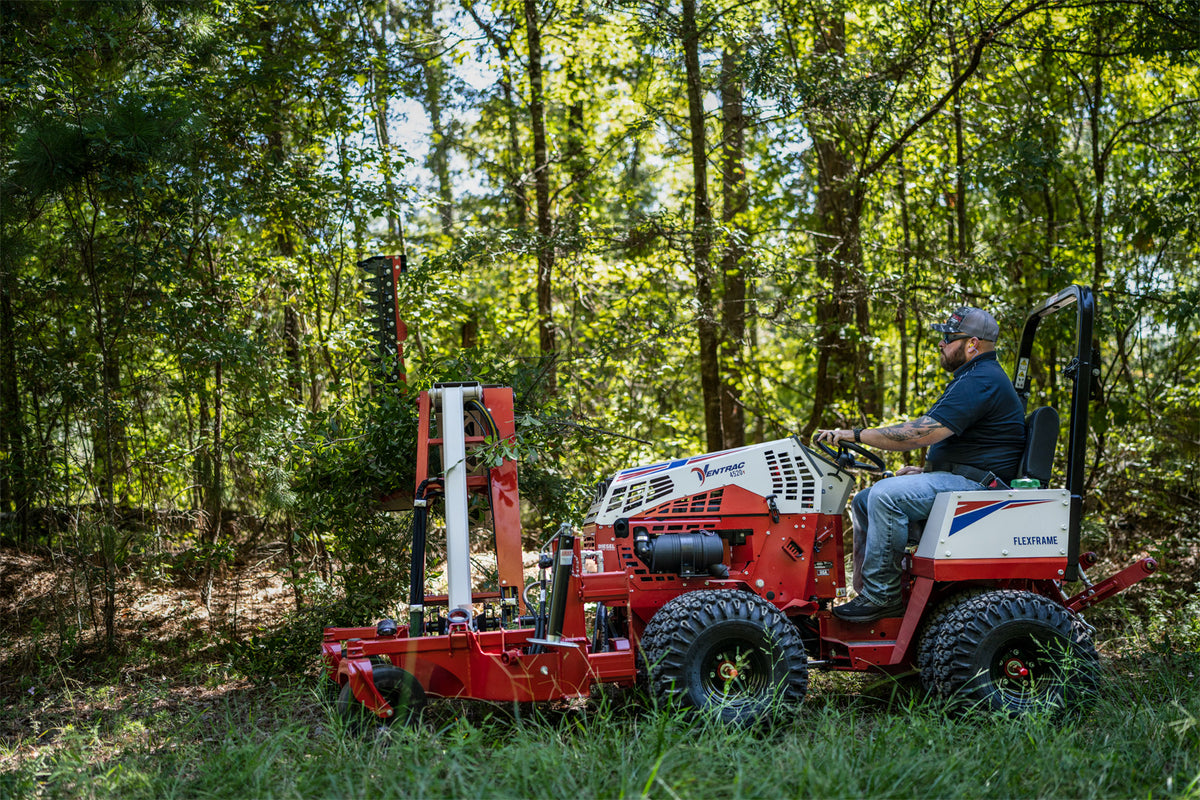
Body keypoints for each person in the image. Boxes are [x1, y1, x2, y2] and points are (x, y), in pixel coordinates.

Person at [815, 306, 1026, 623]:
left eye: (948, 338)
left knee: (886, 496)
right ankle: (867, 594)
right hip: (963, 477)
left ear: (972, 344)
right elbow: (968, 444)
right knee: (864, 499)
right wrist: (927, 473)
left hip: (980, 487)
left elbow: (918, 434)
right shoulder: (972, 378)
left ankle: (882, 597)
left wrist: (855, 434)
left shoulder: (983, 380)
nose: (941, 343)